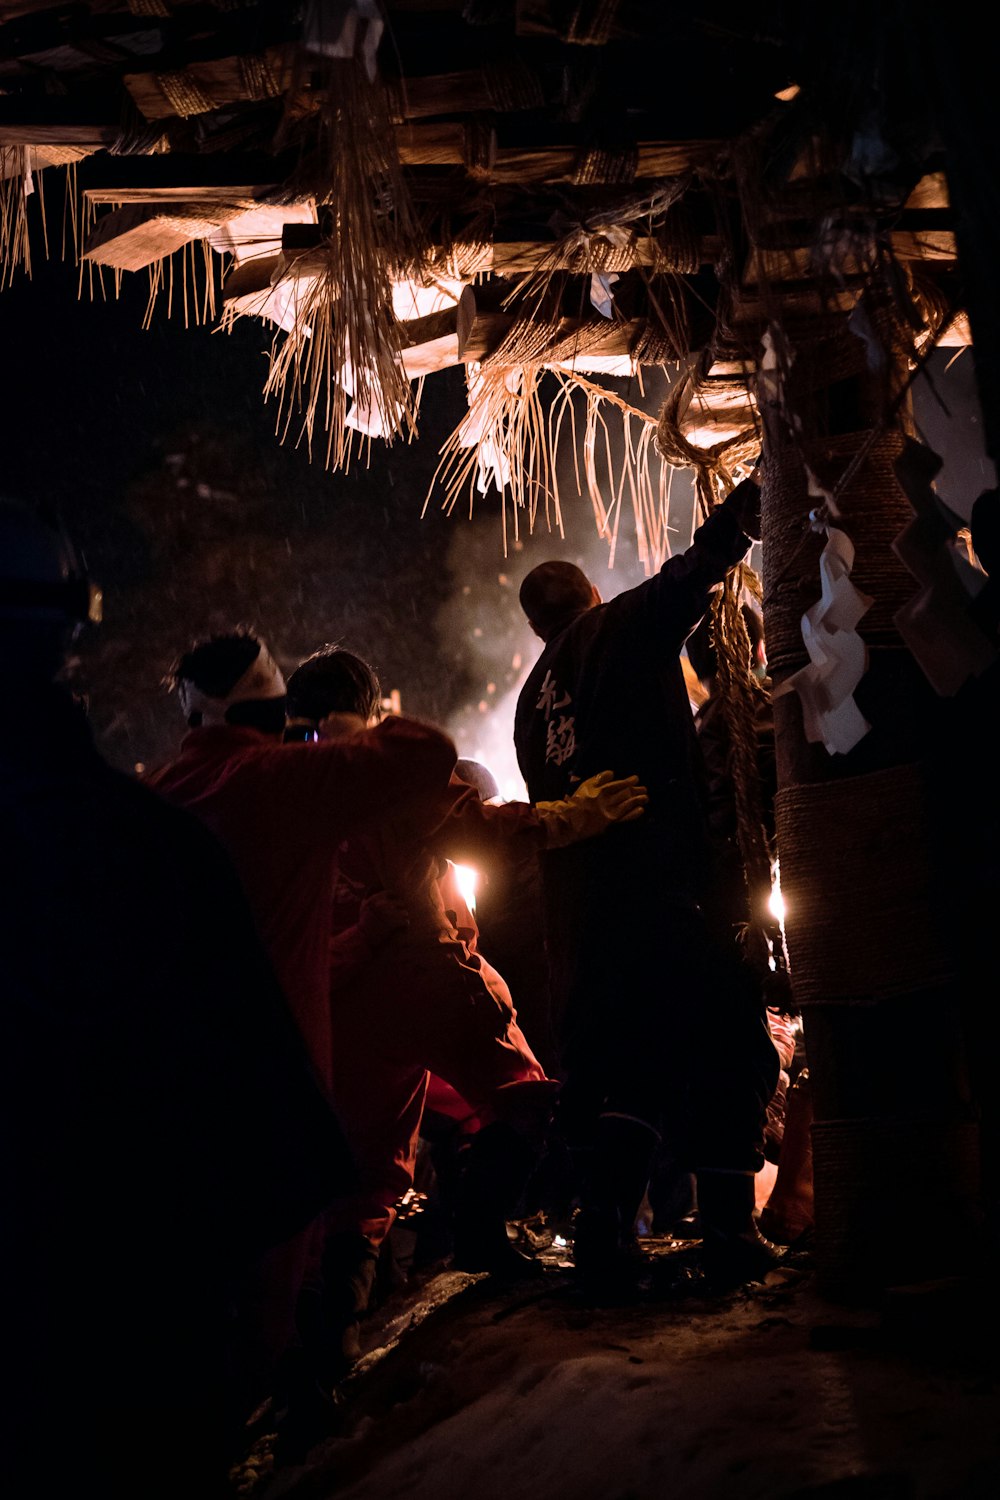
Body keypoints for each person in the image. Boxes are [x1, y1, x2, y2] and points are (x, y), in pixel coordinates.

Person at [0, 500, 350, 1499]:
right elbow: (272, 1151)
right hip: (139, 1374)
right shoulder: (154, 852)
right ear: (75, 632)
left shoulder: (170, 819)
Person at [282, 646, 648, 1392]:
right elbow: (481, 829)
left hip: (339, 999)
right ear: (372, 704)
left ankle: (330, 1348)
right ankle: (487, 1231)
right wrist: (578, 814)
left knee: (368, 1178)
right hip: (428, 973)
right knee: (525, 1094)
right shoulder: (384, 773)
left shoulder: (282, 782)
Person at [145, 626, 459, 1429]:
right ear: (277, 709)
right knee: (280, 1271)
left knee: (193, 1281)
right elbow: (426, 752)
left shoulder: (155, 796)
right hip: (278, 1065)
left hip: (170, 1072)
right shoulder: (284, 781)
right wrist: (350, 729)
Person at [513, 465, 783, 1293]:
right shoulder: (620, 628)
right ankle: (731, 1235)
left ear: (533, 627)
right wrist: (743, 516)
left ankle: (602, 1231)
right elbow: (688, 576)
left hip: (595, 915)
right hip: (674, 890)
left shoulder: (530, 700)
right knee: (730, 1048)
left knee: (632, 1062)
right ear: (592, 594)